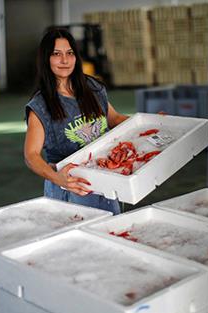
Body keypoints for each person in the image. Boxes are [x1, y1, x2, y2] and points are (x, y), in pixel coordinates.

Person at [24, 28, 129, 215]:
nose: (64, 60)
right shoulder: (40, 106)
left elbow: (114, 119)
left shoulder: (92, 87)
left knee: (109, 236)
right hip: (69, 189)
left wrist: (150, 123)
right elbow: (31, 155)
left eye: (69, 53)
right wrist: (58, 179)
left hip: (104, 180)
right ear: (46, 59)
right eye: (56, 54)